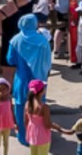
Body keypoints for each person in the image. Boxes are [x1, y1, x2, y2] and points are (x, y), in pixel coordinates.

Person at [5, 14, 52, 145]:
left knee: (20, 107)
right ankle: (39, 136)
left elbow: (10, 60)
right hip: (39, 81)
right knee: (38, 107)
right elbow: (48, 63)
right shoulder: (43, 41)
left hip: (21, 79)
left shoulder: (15, 40)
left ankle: (24, 136)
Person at [23, 80, 54, 155]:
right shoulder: (44, 107)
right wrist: (59, 128)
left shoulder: (27, 104)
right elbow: (47, 124)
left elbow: (25, 122)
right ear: (42, 91)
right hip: (43, 136)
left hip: (32, 135)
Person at [0, 78, 16, 155]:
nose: (2, 91)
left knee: (6, 142)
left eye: (4, 89)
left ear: (7, 90)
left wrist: (14, 122)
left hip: (7, 122)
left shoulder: (9, 99)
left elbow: (11, 110)